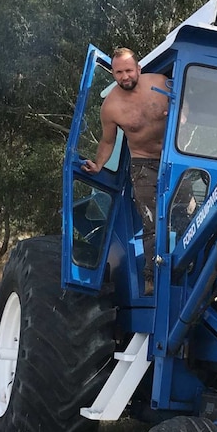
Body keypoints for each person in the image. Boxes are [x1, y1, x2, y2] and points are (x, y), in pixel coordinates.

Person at [82, 47, 169, 295]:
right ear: (113, 73)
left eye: (129, 70)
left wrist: (180, 117)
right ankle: (151, 278)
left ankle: (188, 268)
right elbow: (107, 141)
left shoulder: (160, 84)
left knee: (190, 212)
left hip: (174, 158)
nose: (125, 76)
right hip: (143, 164)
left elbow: (186, 107)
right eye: (119, 72)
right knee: (151, 220)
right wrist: (98, 165)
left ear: (139, 69)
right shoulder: (111, 107)